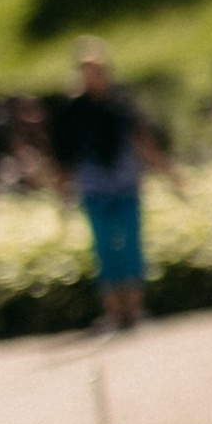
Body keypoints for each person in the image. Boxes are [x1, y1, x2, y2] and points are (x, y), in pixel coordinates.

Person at [42, 39, 172, 332]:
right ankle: (114, 313)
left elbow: (142, 141)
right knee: (104, 251)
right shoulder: (73, 111)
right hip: (96, 189)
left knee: (131, 248)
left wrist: (168, 172)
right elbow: (64, 156)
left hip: (124, 185)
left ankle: (135, 310)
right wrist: (61, 190)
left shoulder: (121, 104)